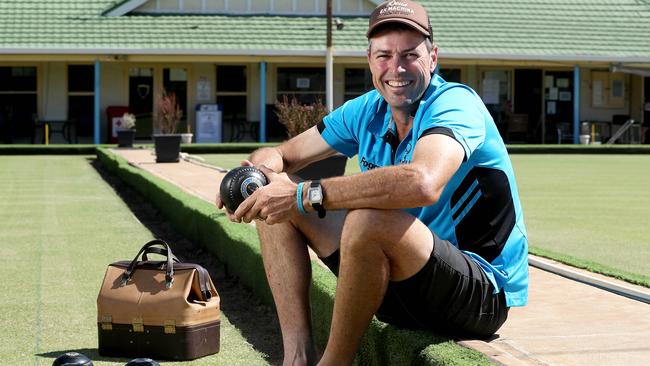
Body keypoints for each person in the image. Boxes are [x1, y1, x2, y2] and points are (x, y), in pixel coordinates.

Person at [215, 1, 528, 364]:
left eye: (410, 55)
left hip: (479, 296)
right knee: (276, 195)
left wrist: (304, 194)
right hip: (401, 282)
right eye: (384, 55)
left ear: (433, 57)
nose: (396, 68)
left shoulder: (455, 104)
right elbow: (283, 154)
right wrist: (253, 178)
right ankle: (297, 358)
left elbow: (423, 182)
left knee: (365, 218)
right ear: (369, 60)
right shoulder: (367, 109)